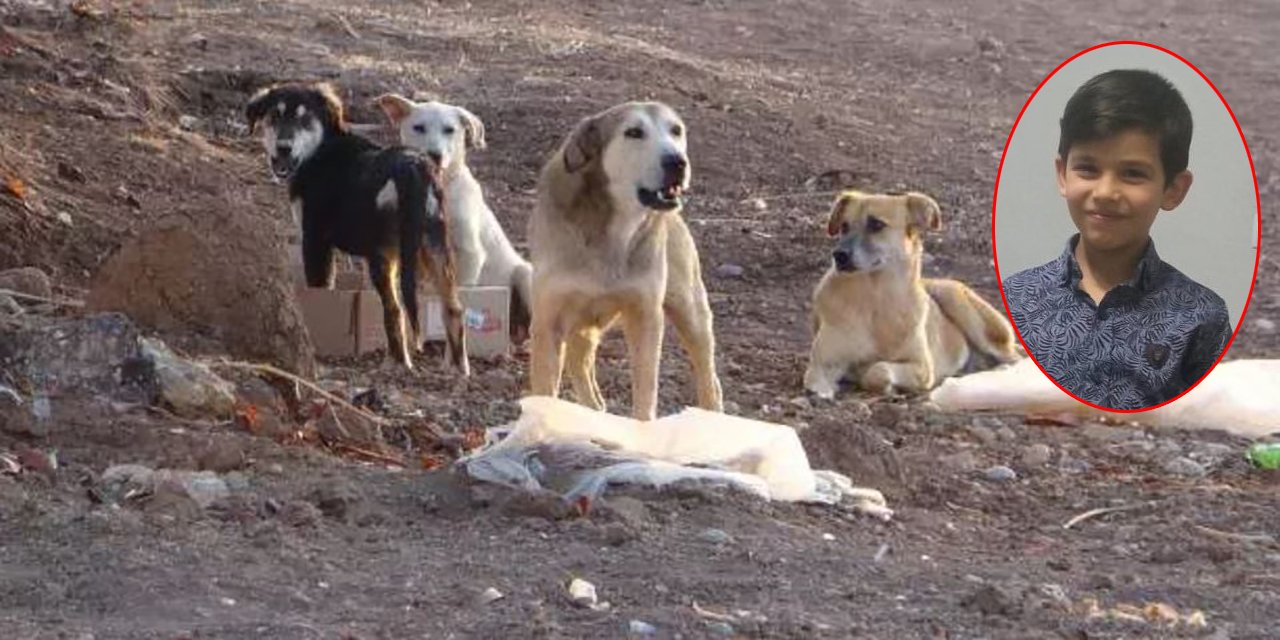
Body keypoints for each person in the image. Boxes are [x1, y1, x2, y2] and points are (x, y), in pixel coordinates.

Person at [1002, 68, 1231, 410]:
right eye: (1088, 170)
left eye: (1133, 174)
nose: (1106, 192)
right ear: (1062, 175)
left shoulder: (1199, 316)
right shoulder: (1017, 300)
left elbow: (1210, 414)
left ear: (1173, 189)